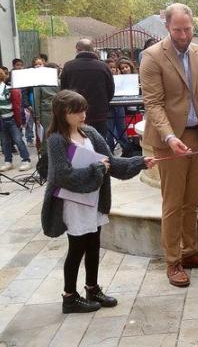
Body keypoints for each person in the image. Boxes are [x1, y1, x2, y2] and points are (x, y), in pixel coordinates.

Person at [40, 90, 155, 313]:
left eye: (84, 109)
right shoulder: (56, 140)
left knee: (93, 246)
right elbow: (62, 175)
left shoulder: (90, 133)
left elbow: (112, 163)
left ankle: (92, 289)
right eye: (77, 111)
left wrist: (141, 162)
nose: (83, 115)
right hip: (73, 204)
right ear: (63, 113)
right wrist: (97, 169)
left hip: (94, 200)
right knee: (76, 249)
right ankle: (70, 297)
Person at [140, 3, 198, 287]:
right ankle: (173, 261)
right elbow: (153, 103)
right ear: (167, 27)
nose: (184, 35)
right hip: (169, 139)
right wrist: (170, 137)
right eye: (178, 29)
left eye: (188, 29)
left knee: (192, 200)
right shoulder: (152, 57)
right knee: (173, 203)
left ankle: (190, 252)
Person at [60, 39, 115, 138]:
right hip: (99, 113)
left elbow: (63, 92)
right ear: (92, 50)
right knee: (99, 143)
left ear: (77, 49)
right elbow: (110, 91)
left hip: (75, 112)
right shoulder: (103, 67)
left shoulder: (68, 66)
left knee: (79, 143)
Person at [0, 69, 32, 172]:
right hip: (1, 120)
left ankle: (26, 160)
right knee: (5, 142)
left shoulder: (9, 89)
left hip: (11, 118)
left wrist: (20, 120)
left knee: (18, 140)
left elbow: (18, 106)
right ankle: (8, 161)